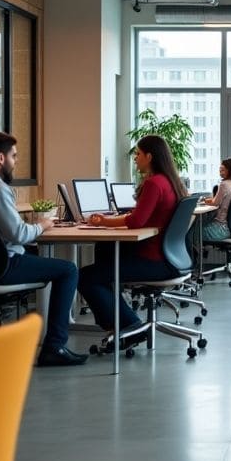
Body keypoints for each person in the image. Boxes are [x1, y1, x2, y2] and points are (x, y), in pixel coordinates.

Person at [0, 132, 87, 367]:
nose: (16, 161)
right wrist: (44, 224)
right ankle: (54, 347)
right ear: (1, 158)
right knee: (68, 269)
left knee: (40, 258)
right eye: (14, 156)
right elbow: (19, 234)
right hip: (2, 264)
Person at [78, 134, 187, 343]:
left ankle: (128, 326)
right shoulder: (171, 182)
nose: (135, 158)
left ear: (149, 156)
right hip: (171, 258)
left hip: (155, 262)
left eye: (138, 154)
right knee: (105, 256)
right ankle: (126, 323)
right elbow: (144, 218)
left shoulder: (154, 183)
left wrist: (102, 222)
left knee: (87, 276)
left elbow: (136, 221)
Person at [201, 158, 231, 241]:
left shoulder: (224, 184)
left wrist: (204, 200)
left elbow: (215, 203)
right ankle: (200, 252)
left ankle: (196, 253)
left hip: (221, 229)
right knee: (201, 226)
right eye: (220, 170)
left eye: (223, 170)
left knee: (189, 233)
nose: (220, 173)